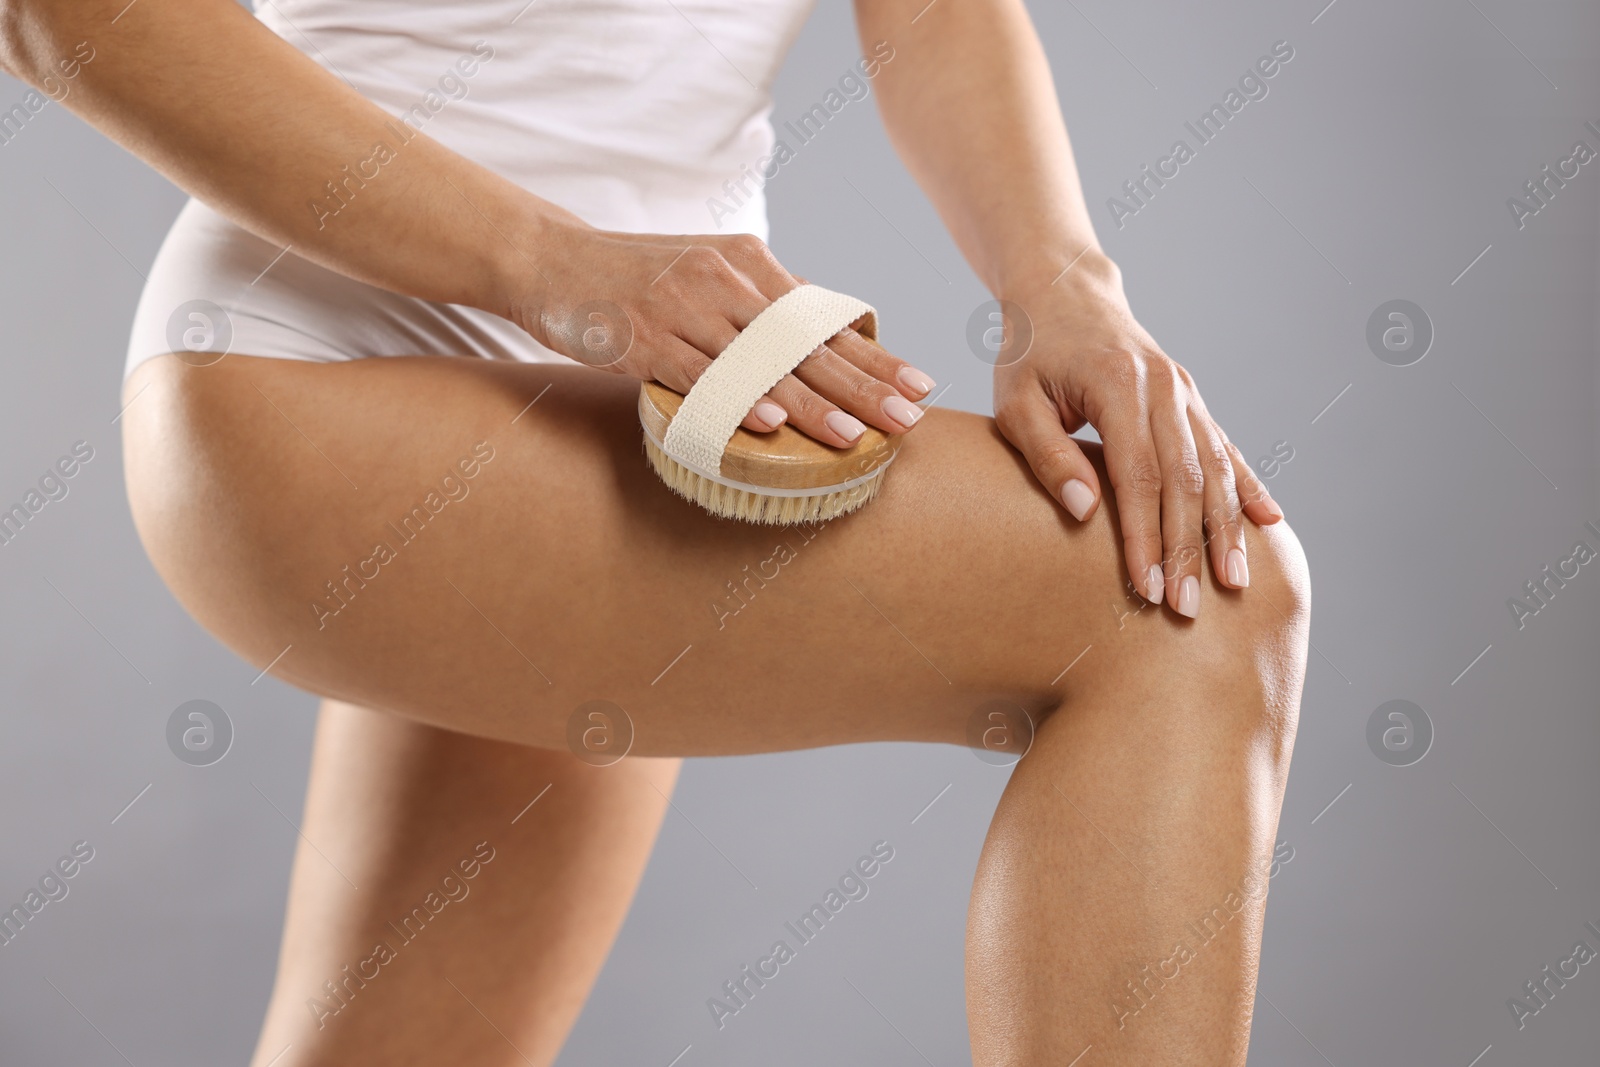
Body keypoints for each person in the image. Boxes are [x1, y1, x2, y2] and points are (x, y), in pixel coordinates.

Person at [1, 0, 1310, 1062]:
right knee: (1184, 608)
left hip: (646, 382)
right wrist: (560, 269)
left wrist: (1061, 283)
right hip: (318, 368)